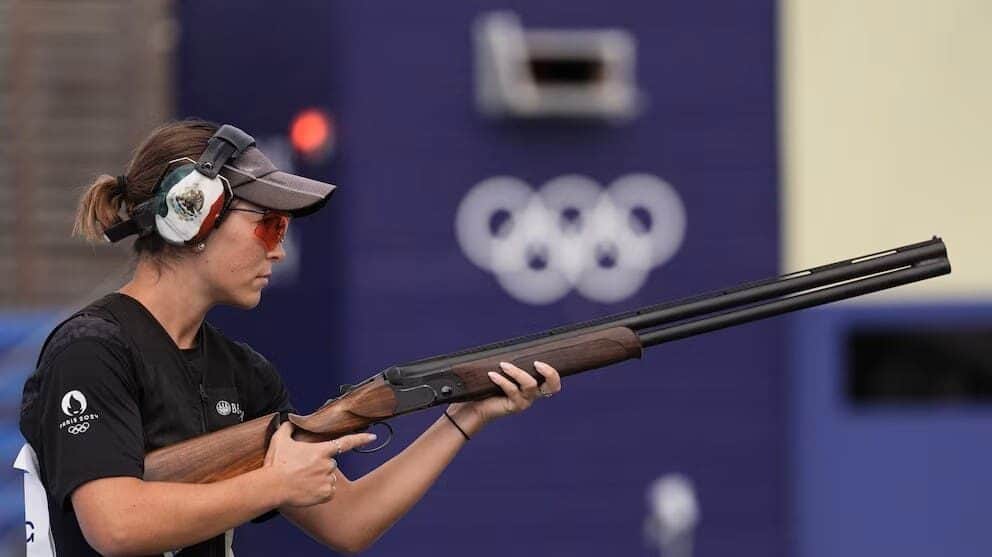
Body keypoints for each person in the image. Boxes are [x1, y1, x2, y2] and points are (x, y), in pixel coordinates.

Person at [17, 120, 562, 556]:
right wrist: (272, 484)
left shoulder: (243, 372)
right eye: (268, 225)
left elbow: (348, 523)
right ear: (193, 215)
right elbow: (116, 526)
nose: (277, 249)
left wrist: (463, 416)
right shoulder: (92, 350)